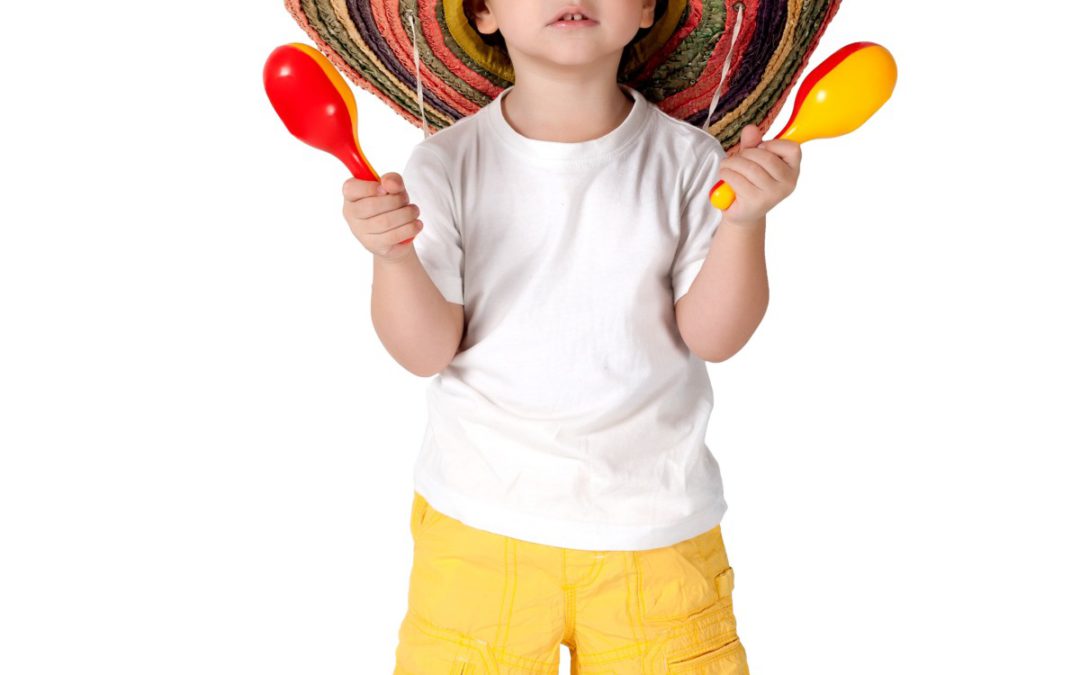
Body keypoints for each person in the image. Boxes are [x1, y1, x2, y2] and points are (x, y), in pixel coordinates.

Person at [309, 0, 829, 671]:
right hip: (479, 528)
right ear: (484, 12)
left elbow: (715, 336)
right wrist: (393, 256)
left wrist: (746, 222)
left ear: (645, 9)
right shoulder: (444, 162)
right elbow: (425, 350)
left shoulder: (692, 158)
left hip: (657, 530)